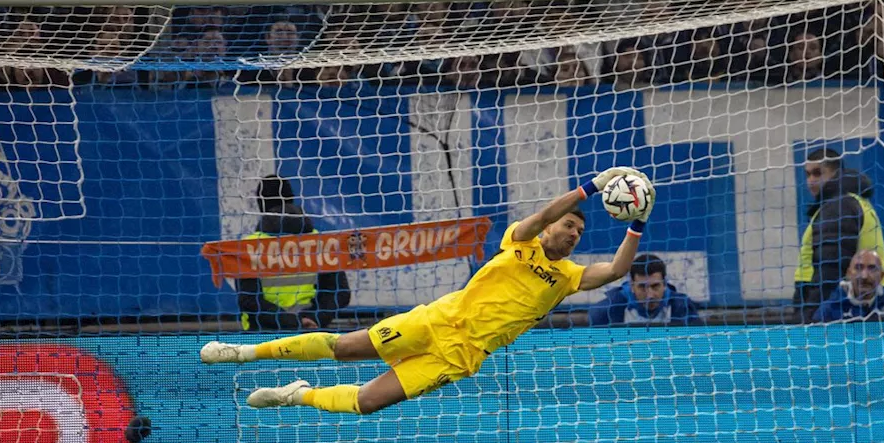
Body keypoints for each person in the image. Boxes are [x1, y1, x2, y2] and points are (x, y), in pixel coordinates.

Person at [202, 166, 656, 415]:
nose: (573, 234)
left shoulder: (568, 278)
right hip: (436, 319)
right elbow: (540, 215)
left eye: (578, 231)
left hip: (459, 355)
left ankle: (296, 394)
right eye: (569, 225)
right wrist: (591, 187)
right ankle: (245, 353)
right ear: (553, 225)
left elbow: (617, 269)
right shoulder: (521, 240)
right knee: (344, 347)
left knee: (366, 402)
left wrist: (638, 220)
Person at [235, 176, 351, 332]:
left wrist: (291, 321)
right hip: (312, 333)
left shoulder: (249, 246)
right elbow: (340, 292)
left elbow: (248, 300)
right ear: (291, 198)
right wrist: (311, 318)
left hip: (262, 334)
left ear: (261, 205)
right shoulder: (319, 242)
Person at [793, 148, 884, 320]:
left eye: (817, 173)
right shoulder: (851, 201)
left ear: (836, 174)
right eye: (807, 175)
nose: (811, 181)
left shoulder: (839, 206)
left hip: (846, 305)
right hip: (869, 298)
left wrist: (809, 317)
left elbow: (830, 268)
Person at [587, 253, 702, 326]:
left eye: (655, 286)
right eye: (642, 287)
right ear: (632, 285)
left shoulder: (683, 307)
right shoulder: (606, 311)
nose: (650, 295)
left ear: (665, 284)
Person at [811, 249, 884, 322]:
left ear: (881, 276)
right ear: (848, 274)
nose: (864, 276)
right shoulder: (828, 310)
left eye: (872, 268)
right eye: (858, 268)